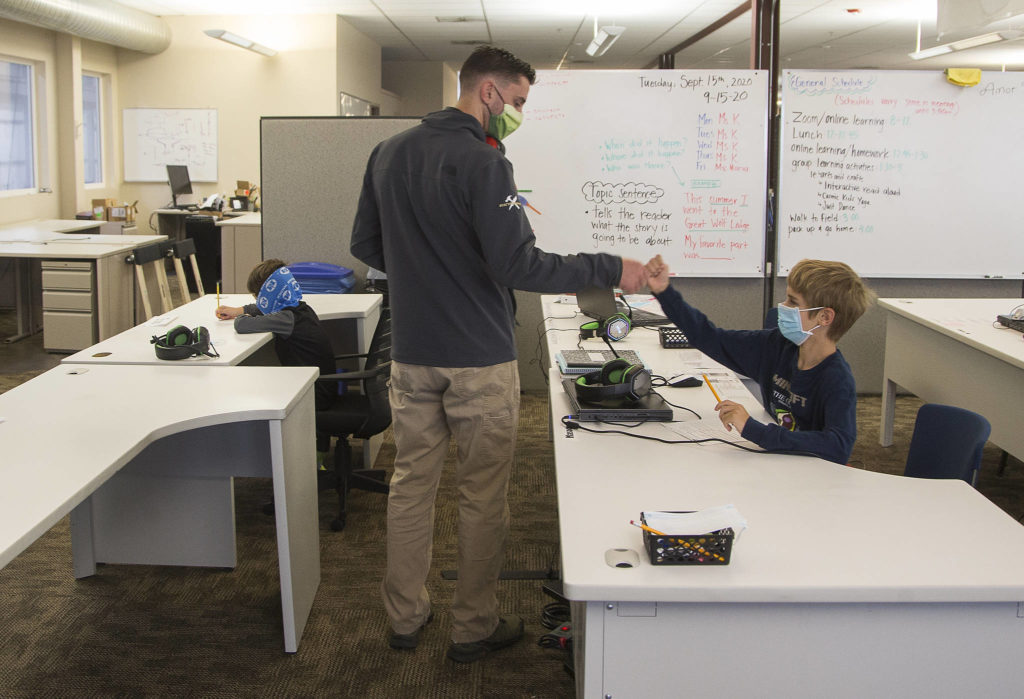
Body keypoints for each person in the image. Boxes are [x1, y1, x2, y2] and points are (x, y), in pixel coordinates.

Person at [350, 45, 647, 663]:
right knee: (482, 494)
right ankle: (472, 629)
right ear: (487, 91)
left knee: (410, 487)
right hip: (478, 358)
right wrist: (613, 266)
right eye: (516, 101)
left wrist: (425, 273)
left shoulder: (388, 153)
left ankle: (404, 619)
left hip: (411, 354)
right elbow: (521, 264)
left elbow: (366, 244)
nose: (515, 114)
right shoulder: (489, 165)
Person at [645, 255, 874, 465]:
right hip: (773, 462)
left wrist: (753, 430)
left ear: (824, 316)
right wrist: (665, 293)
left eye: (793, 302)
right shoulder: (776, 345)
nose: (783, 308)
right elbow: (712, 338)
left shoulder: (836, 379)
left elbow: (838, 446)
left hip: (811, 475)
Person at [215, 259, 337, 465]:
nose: (258, 301)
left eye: (259, 297)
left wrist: (240, 314)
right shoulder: (300, 309)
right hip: (324, 386)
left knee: (255, 390)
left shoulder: (285, 320)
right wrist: (241, 308)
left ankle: (264, 457)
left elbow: (242, 325)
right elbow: (265, 310)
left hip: (314, 394)